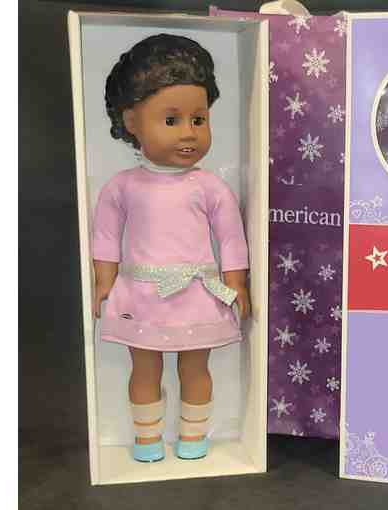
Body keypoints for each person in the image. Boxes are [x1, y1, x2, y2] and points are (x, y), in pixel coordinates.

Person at [93, 34, 250, 462]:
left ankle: (193, 437)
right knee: (144, 367)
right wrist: (104, 279)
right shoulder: (122, 186)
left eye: (199, 120)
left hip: (197, 294)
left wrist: (237, 282)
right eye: (171, 120)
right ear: (131, 122)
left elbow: (231, 236)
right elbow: (105, 235)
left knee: (195, 367)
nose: (188, 133)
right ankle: (146, 439)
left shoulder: (209, 187)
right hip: (140, 294)